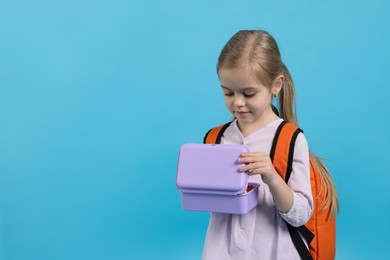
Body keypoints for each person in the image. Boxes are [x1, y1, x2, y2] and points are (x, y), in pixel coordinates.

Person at [202, 30, 339, 259]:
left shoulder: (290, 139)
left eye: (249, 93)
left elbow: (300, 216)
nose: (237, 102)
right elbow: (211, 205)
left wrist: (272, 177)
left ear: (276, 85)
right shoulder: (215, 139)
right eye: (228, 92)